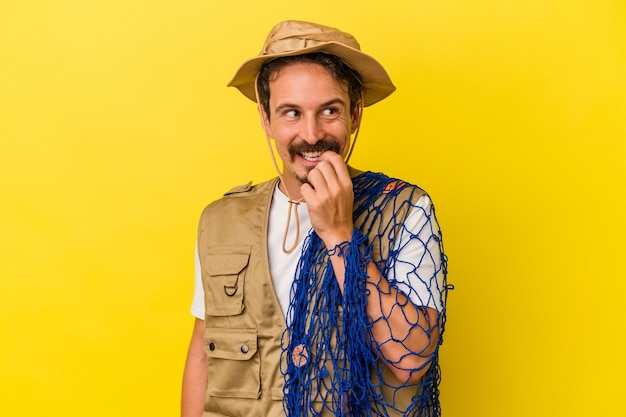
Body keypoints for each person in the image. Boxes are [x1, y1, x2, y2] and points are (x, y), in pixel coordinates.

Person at [181, 20, 449, 417]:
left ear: (355, 115)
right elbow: (203, 355)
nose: (311, 134)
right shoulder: (221, 222)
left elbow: (411, 360)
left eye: (329, 111)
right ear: (266, 120)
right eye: (292, 113)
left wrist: (341, 234)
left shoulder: (405, 209)